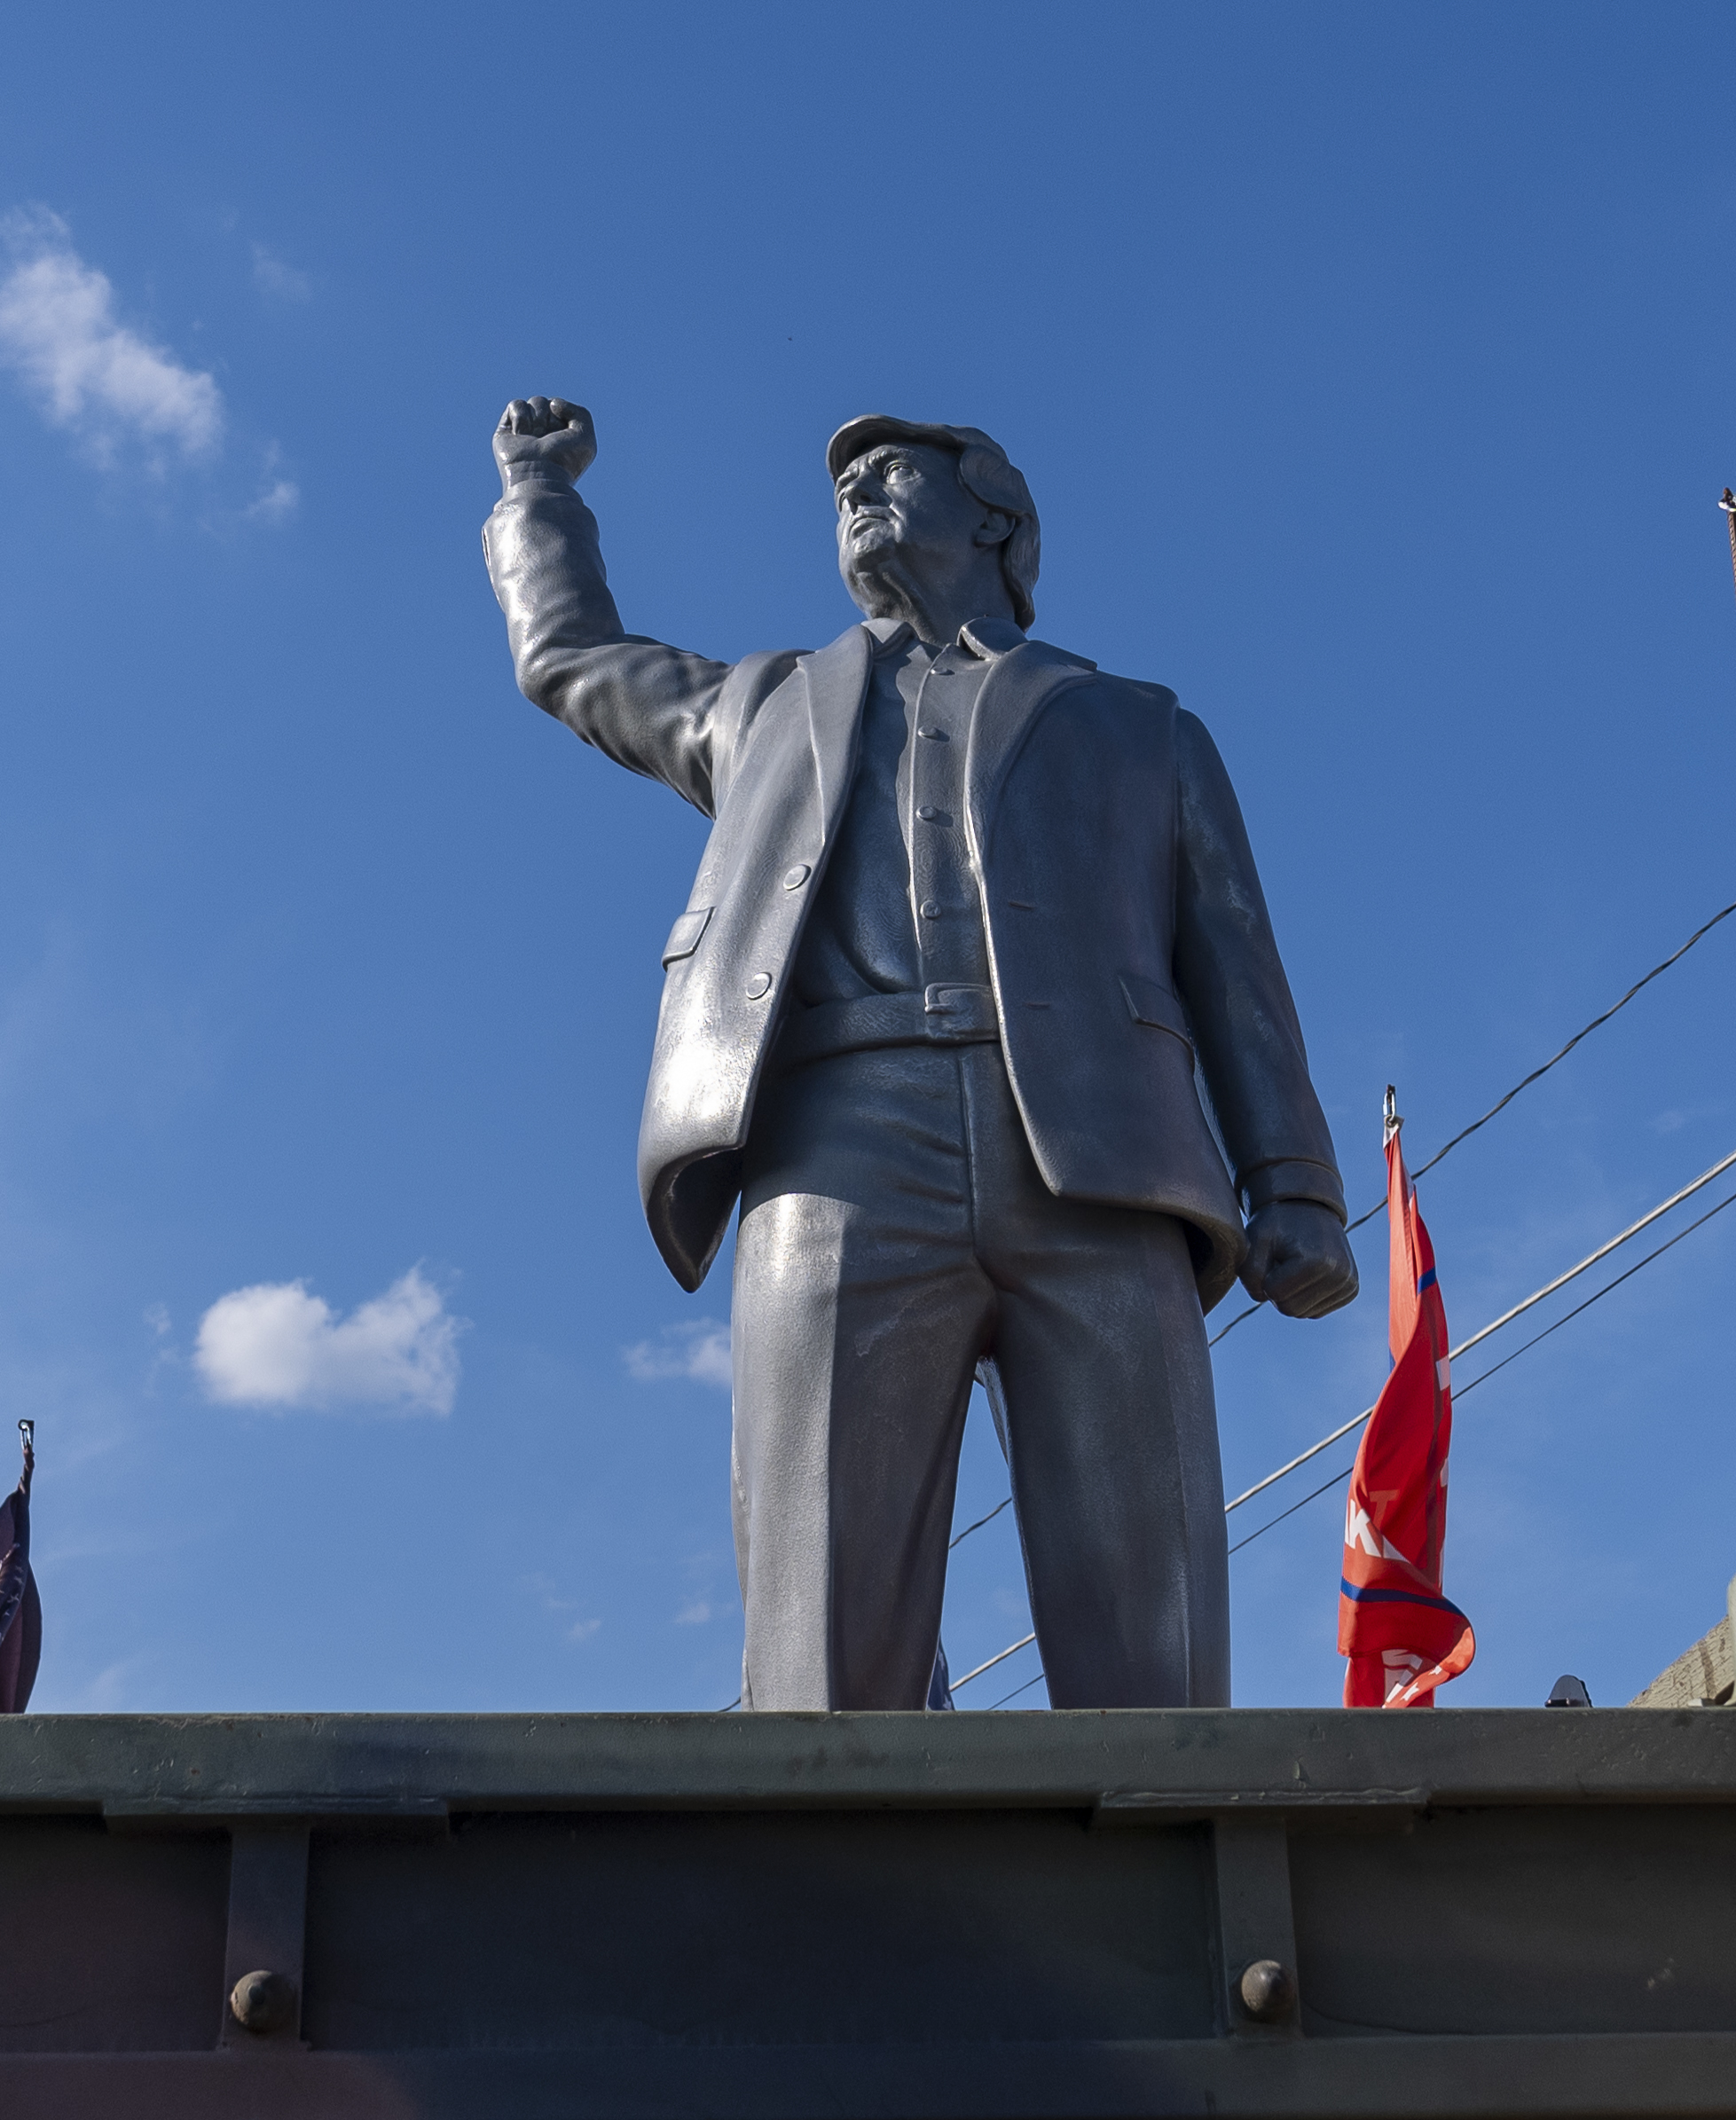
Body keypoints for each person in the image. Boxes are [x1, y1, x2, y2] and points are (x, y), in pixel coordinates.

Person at [482, 398, 1358, 1709]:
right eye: (843, 482)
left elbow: (1235, 966)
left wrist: (1293, 1184)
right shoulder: (759, 705)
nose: (854, 493)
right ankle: (832, 1898)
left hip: (1103, 1169)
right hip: (839, 1154)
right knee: (821, 1637)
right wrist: (536, 492)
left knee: (1151, 1636)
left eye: (892, 471)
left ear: (993, 516)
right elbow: (568, 656)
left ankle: (1191, 1896)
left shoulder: (1139, 728)